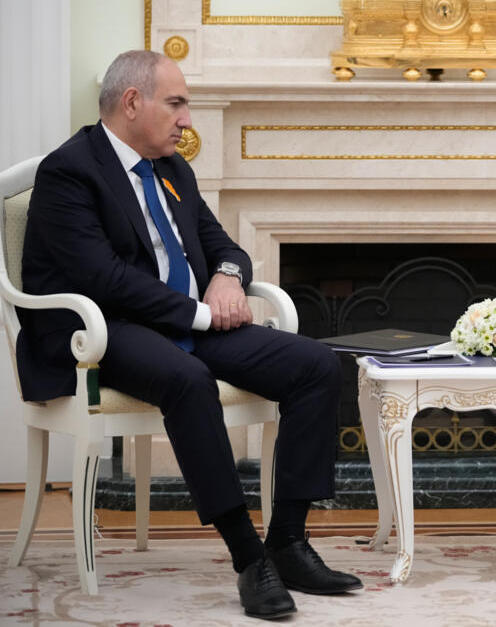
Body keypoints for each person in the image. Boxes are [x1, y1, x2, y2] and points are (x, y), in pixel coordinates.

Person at [18, 50, 362, 620]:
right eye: (176, 103)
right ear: (133, 103)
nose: (187, 119)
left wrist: (227, 279)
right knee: (188, 379)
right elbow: (102, 277)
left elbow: (222, 244)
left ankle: (290, 542)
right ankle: (250, 558)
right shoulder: (69, 172)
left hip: (185, 321)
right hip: (104, 329)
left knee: (315, 365)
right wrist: (201, 315)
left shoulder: (173, 168)